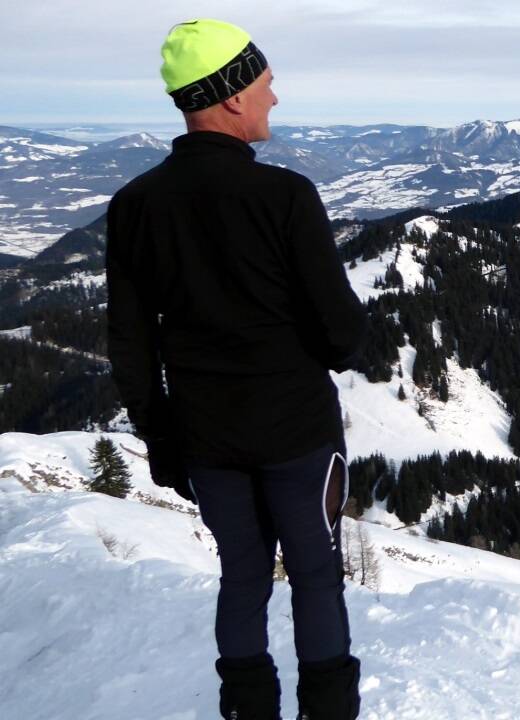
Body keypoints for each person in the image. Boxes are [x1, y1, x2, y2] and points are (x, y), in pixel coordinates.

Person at [105, 18, 370, 720]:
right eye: (264, 84)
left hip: (205, 438)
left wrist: (161, 439)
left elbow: (130, 344)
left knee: (242, 575)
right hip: (297, 434)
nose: (274, 98)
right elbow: (342, 336)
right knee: (316, 577)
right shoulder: (283, 197)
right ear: (229, 96)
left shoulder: (134, 207)